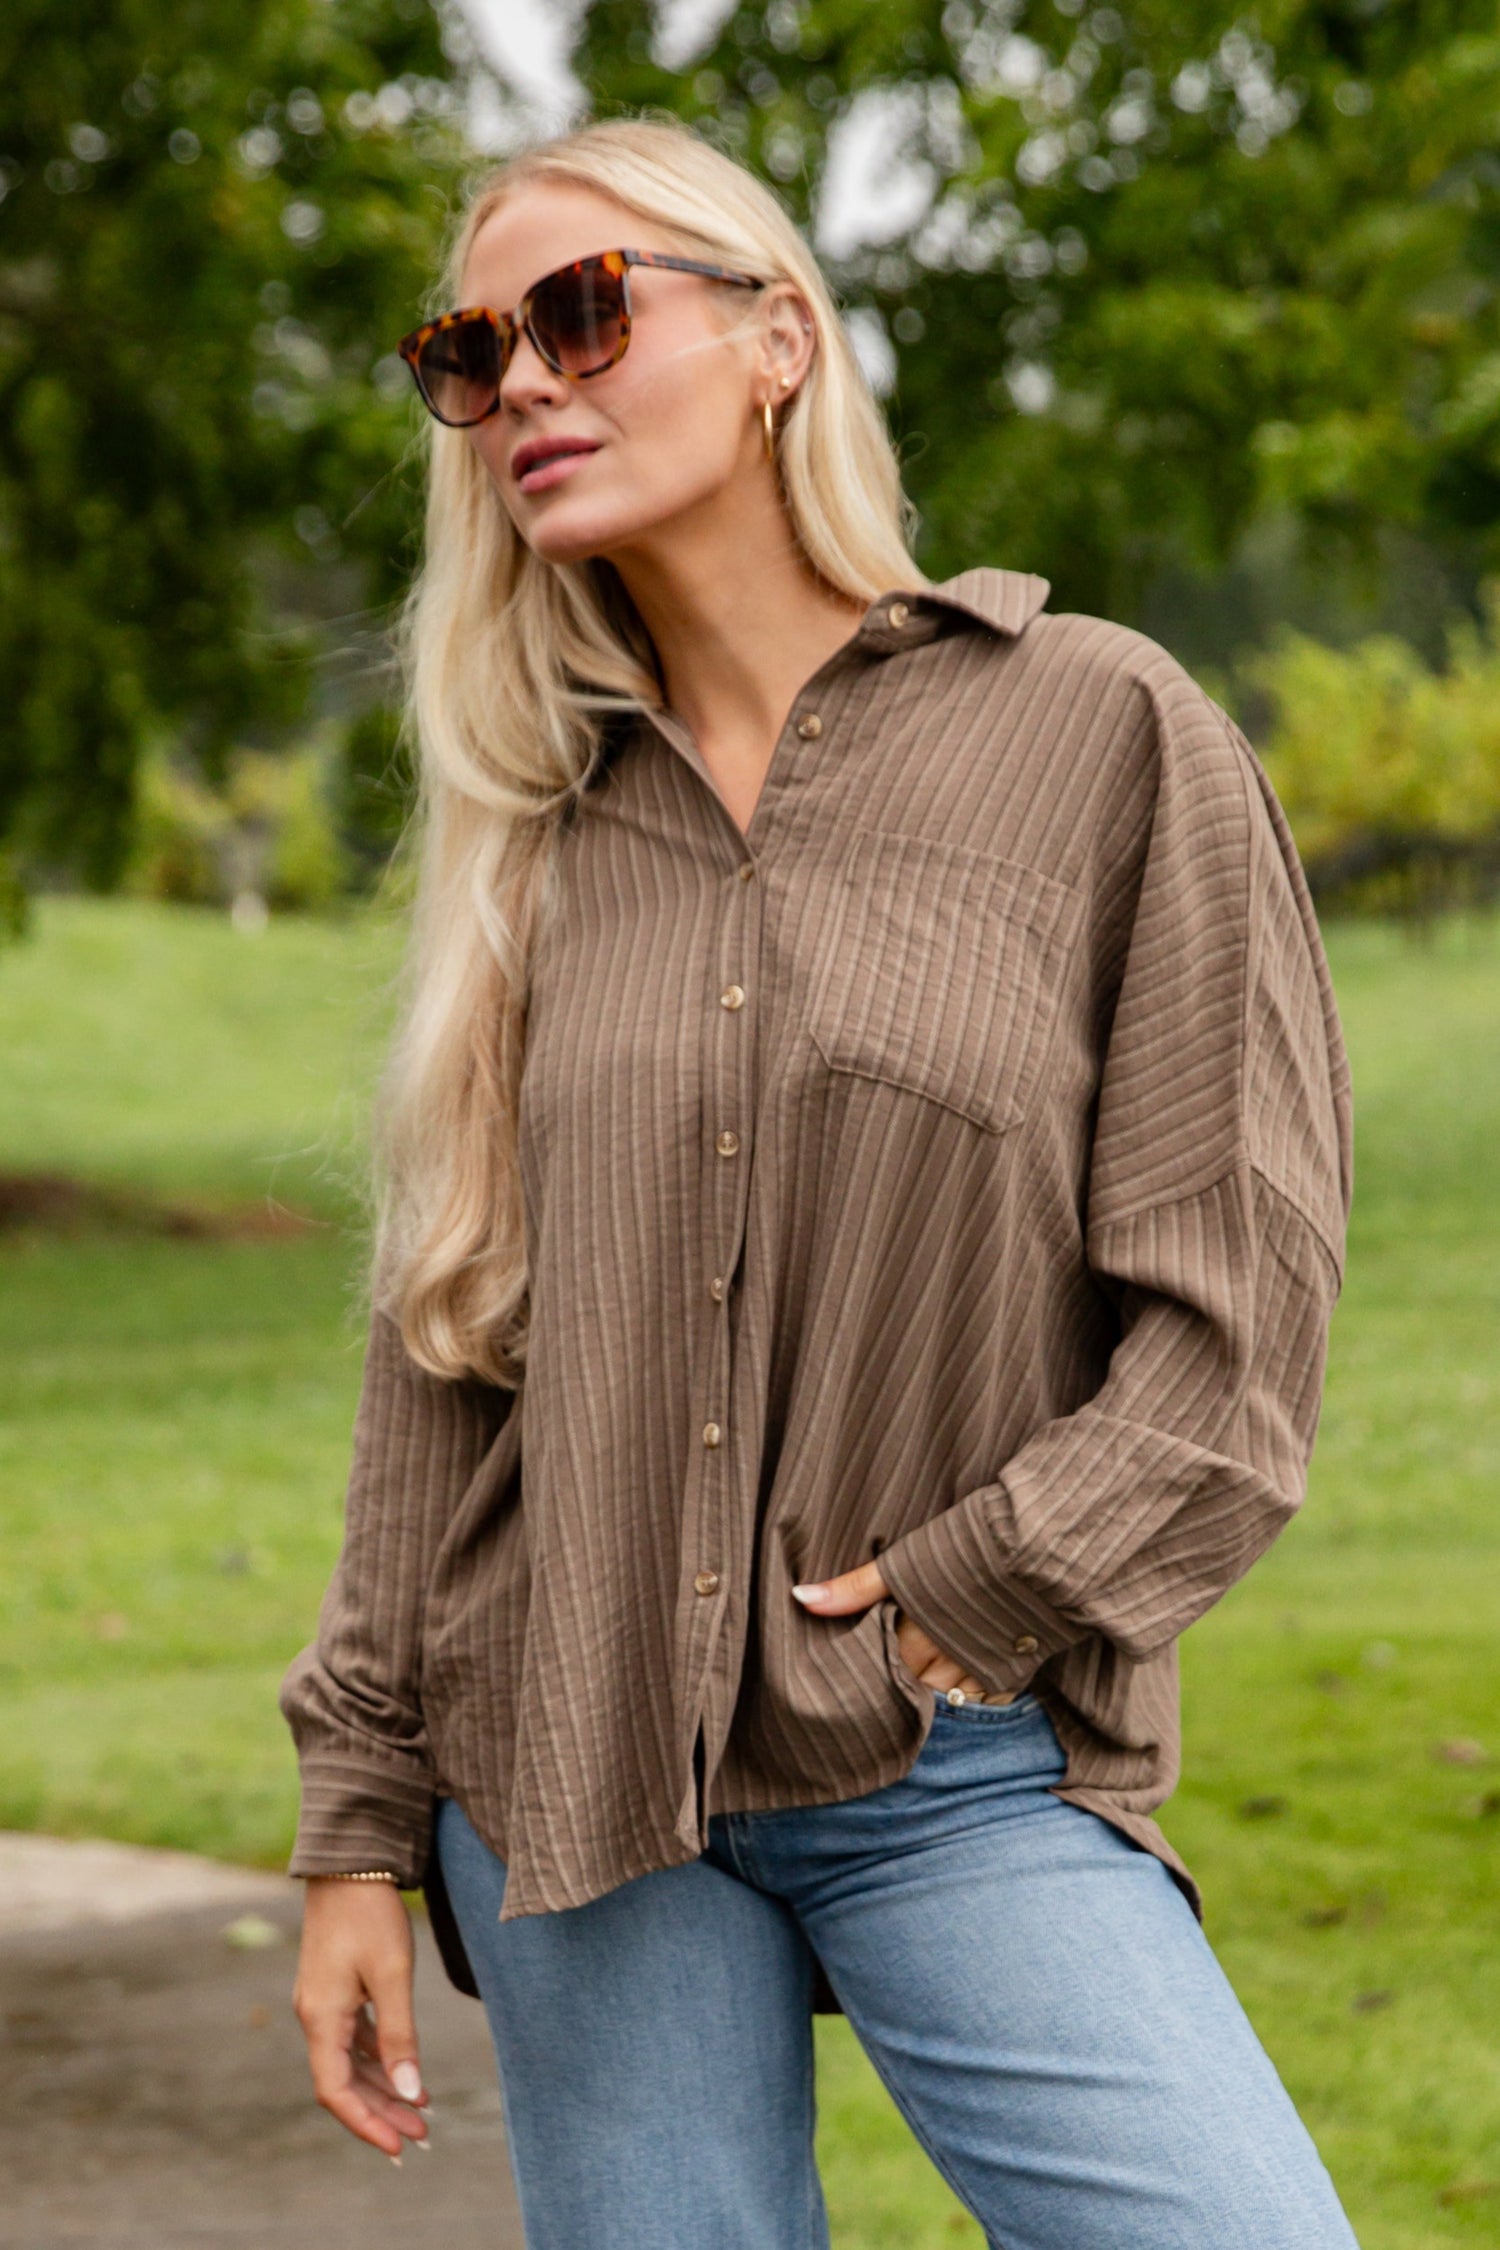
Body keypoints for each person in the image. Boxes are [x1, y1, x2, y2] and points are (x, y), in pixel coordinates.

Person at [280, 113, 1360, 2250]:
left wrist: (984, 1584)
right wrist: (355, 1830)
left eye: (579, 312)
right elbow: (447, 1362)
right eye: (468, 354)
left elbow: (1236, 1316)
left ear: (778, 336)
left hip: (949, 1765)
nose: (522, 389)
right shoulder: (537, 831)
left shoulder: (1105, 735)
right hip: (569, 1785)